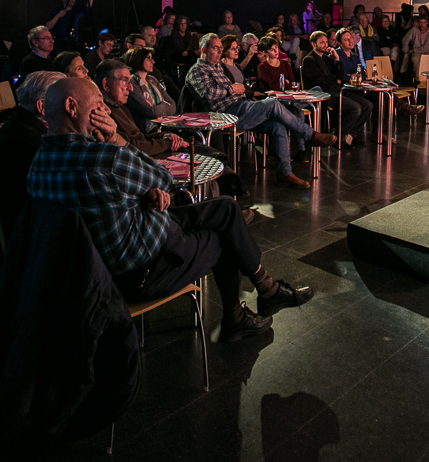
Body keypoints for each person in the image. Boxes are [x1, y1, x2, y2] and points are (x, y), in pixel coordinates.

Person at [28, 77, 314, 342]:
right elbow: (165, 179)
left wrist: (142, 194)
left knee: (226, 208)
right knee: (226, 240)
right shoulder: (105, 157)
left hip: (102, 260)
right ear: (71, 106)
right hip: (142, 270)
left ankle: (267, 288)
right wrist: (115, 137)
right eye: (97, 106)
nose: (105, 112)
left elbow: (105, 199)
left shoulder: (36, 165)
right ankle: (237, 317)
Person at [187, 34, 336, 188]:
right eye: (215, 48)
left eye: (220, 48)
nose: (219, 51)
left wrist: (241, 91)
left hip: (239, 107)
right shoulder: (197, 70)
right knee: (273, 103)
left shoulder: (217, 67)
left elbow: (232, 91)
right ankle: (308, 134)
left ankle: (285, 173)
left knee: (278, 126)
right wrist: (232, 88)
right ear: (204, 49)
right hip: (225, 114)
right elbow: (208, 93)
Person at [0, 70, 65, 237]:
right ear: (42, 106)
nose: (72, 106)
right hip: (29, 231)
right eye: (66, 100)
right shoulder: (35, 142)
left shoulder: (16, 124)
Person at [94, 60, 185, 159]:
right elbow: (131, 146)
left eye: (130, 81)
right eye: (125, 81)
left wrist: (164, 136)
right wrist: (167, 143)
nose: (131, 88)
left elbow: (140, 137)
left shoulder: (122, 108)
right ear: (106, 84)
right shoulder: (101, 113)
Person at [302, 31, 373, 148]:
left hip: (337, 90)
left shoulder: (327, 58)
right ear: (313, 44)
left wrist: (337, 59)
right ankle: (339, 138)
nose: (325, 45)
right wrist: (335, 79)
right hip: (324, 93)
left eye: (326, 42)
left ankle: (349, 134)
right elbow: (322, 80)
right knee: (356, 108)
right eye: (322, 43)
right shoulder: (309, 60)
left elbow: (339, 76)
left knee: (368, 105)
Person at [125, 46, 177, 133]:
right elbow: (150, 112)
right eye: (148, 58)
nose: (153, 61)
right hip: (145, 131)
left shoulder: (153, 80)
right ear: (138, 60)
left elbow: (173, 106)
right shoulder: (132, 83)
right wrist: (164, 105)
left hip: (163, 127)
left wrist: (156, 108)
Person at [400, 14, 429, 81]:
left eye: (424, 23)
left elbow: (426, 47)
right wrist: (406, 49)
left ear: (427, 23)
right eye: (420, 22)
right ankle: (418, 79)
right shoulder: (414, 30)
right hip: (417, 53)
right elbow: (405, 40)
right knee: (415, 59)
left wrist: (413, 50)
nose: (422, 24)